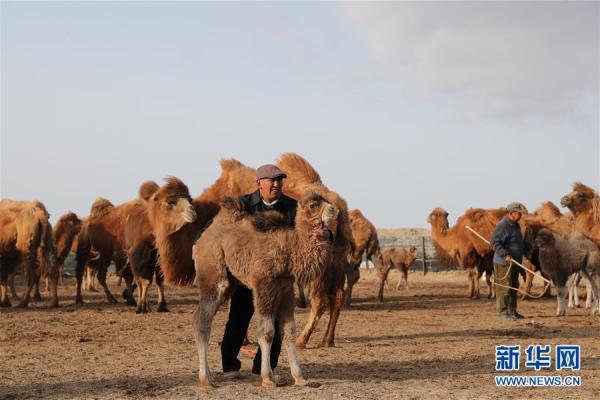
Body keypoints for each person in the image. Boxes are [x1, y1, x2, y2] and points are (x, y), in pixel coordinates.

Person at [221, 164, 297, 379]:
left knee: (275, 323)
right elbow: (215, 226)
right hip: (246, 277)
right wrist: (198, 242)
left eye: (279, 180)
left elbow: (310, 231)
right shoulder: (243, 205)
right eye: (271, 180)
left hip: (278, 278)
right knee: (238, 319)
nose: (276, 184)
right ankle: (229, 367)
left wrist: (325, 236)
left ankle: (262, 369)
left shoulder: (293, 207)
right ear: (259, 183)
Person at [490, 202, 528, 320]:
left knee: (513, 287)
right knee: (504, 288)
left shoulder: (515, 225)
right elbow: (495, 243)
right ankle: (503, 312)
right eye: (519, 213)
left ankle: (512, 310)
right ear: (511, 213)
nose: (521, 216)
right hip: (503, 263)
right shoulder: (503, 225)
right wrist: (505, 255)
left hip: (515, 263)